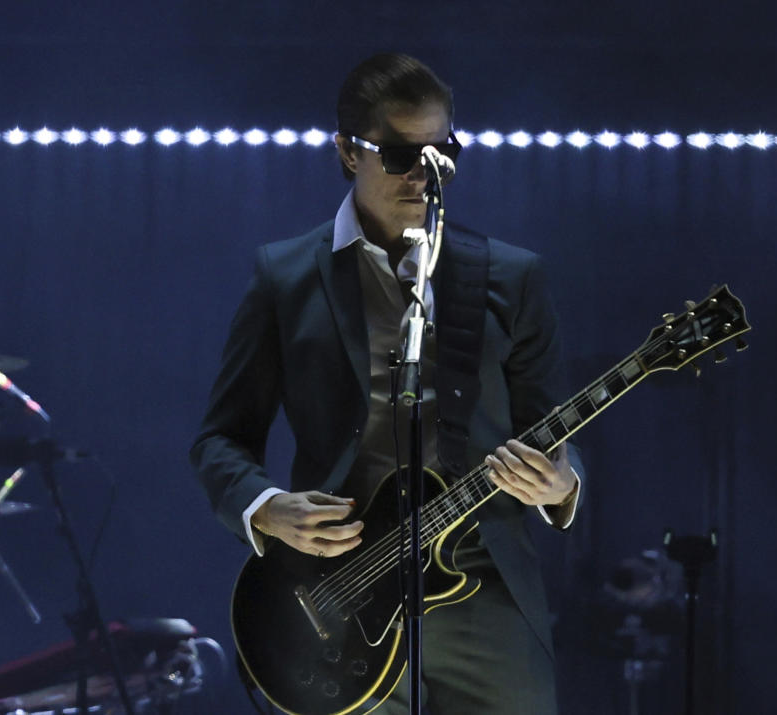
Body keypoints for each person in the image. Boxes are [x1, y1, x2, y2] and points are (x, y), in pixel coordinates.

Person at [190, 53, 584, 714]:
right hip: (337, 585)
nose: (426, 176)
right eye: (401, 155)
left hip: (482, 577)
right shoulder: (285, 277)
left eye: (442, 153)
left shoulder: (513, 278)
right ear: (348, 151)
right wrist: (266, 508)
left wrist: (562, 484)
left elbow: (549, 432)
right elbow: (220, 440)